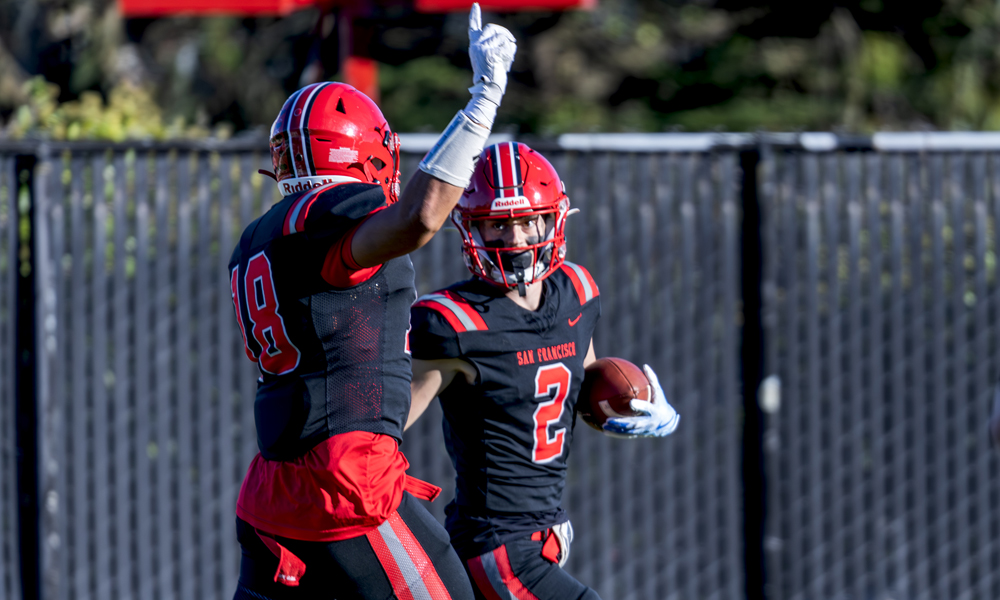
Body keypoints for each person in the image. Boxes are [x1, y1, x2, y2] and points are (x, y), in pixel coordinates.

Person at [227, 5, 516, 598]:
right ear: (360, 154)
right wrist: (484, 98)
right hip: (347, 489)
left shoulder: (259, 234)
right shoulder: (327, 218)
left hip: (275, 491)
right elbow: (419, 217)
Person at [405, 141, 681, 600]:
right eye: (498, 225)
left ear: (553, 219)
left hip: (545, 532)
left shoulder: (576, 291)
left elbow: (583, 382)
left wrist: (632, 410)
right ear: (471, 228)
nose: (515, 241)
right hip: (496, 545)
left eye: (527, 222)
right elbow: (382, 430)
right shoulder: (454, 322)